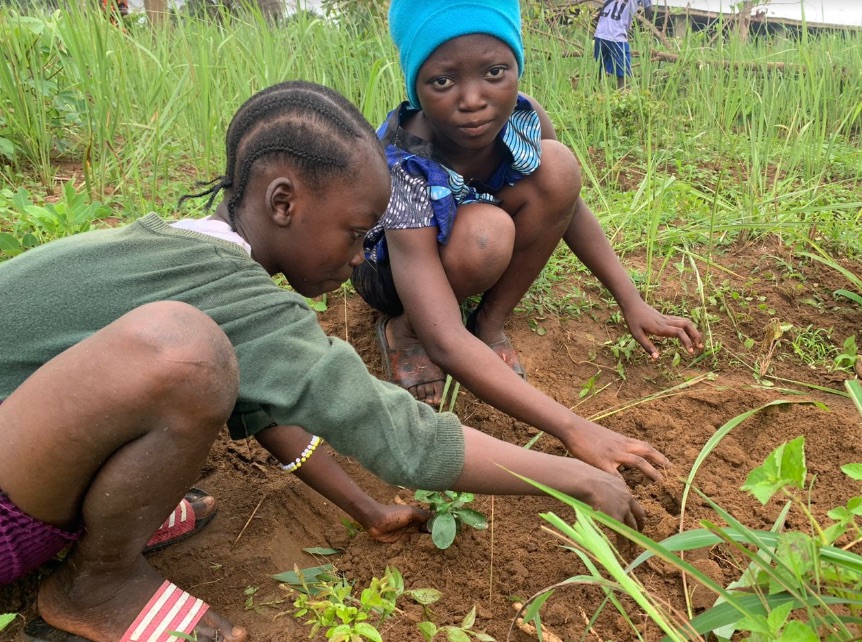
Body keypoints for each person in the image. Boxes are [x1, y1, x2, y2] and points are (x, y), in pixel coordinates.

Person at [2, 80, 657, 642]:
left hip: (24, 440)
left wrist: (365, 512)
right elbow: (400, 435)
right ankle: (97, 584)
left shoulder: (185, 252)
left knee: (203, 368)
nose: (357, 257)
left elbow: (267, 409)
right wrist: (574, 475)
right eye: (354, 232)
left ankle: (109, 518)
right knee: (187, 356)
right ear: (283, 202)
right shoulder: (226, 292)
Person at [352, 0, 702, 478]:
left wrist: (632, 301)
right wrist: (574, 428)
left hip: (465, 241)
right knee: (485, 236)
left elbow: (566, 205)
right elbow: (446, 341)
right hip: (394, 270)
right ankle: (404, 329)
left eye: (495, 72)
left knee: (557, 165)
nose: (473, 99)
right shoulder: (404, 164)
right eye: (443, 81)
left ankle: (489, 321)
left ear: (517, 66)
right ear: (415, 84)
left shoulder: (521, 115)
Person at [594, 0, 655, 89]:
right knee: (622, 72)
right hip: (617, 36)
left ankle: (594, 91)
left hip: (600, 34)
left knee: (599, 67)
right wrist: (641, 25)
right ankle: (623, 94)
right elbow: (648, 9)